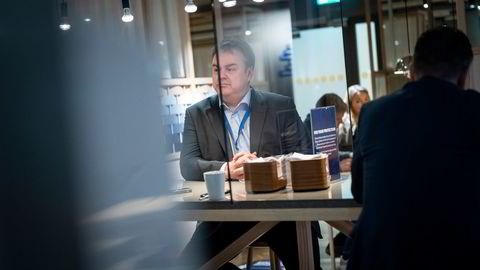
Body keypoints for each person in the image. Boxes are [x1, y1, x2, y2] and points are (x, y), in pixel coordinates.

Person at [178, 39, 320, 269]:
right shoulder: (197, 113)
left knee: (307, 265)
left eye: (230, 68)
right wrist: (226, 169)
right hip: (224, 214)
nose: (221, 75)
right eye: (216, 69)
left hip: (281, 211)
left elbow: (304, 154)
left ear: (249, 72)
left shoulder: (279, 105)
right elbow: (187, 164)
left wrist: (261, 166)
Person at [348, 27, 480, 270]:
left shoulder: (373, 112)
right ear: (463, 75)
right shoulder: (473, 109)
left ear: (412, 71)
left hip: (379, 258)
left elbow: (359, 190)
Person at [304, 93, 352, 172]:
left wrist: (350, 155)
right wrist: (338, 167)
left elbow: (331, 154)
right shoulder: (308, 133)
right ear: (324, 116)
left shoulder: (321, 128)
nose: (341, 122)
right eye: (337, 119)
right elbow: (310, 165)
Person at [338, 85, 370, 152]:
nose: (363, 104)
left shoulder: (370, 117)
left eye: (366, 100)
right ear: (350, 103)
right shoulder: (345, 122)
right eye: (358, 101)